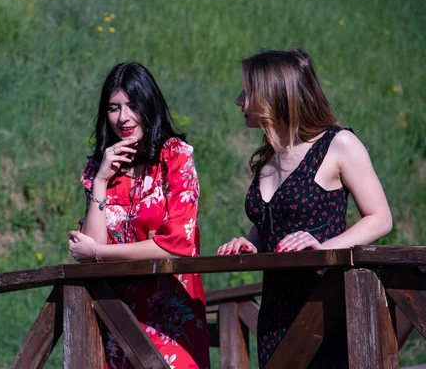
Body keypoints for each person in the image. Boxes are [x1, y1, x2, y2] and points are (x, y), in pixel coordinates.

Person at [216, 49, 392, 368]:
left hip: (326, 303)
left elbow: (380, 218)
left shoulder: (338, 144)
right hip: (275, 310)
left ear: (274, 95)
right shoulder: (269, 157)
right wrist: (250, 244)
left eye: (247, 91)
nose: (239, 100)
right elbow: (272, 222)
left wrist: (323, 248)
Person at [68, 62, 210, 368]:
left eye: (132, 106)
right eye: (114, 108)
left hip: (171, 320)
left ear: (149, 105)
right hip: (116, 316)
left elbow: (178, 244)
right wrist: (102, 181)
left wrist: (100, 253)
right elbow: (91, 247)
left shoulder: (176, 157)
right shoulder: (99, 168)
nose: (123, 118)